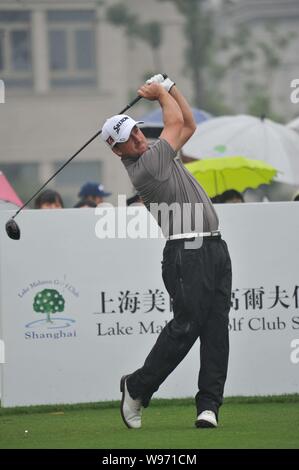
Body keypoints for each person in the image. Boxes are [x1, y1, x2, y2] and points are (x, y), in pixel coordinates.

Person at [101, 74, 232, 430]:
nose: (140, 138)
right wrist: (160, 92)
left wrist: (171, 86)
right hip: (186, 252)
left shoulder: (156, 152)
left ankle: (208, 406)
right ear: (118, 150)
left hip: (214, 246)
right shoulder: (147, 167)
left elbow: (187, 124)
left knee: (216, 329)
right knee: (187, 326)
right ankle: (137, 386)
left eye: (139, 131)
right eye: (130, 138)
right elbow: (174, 122)